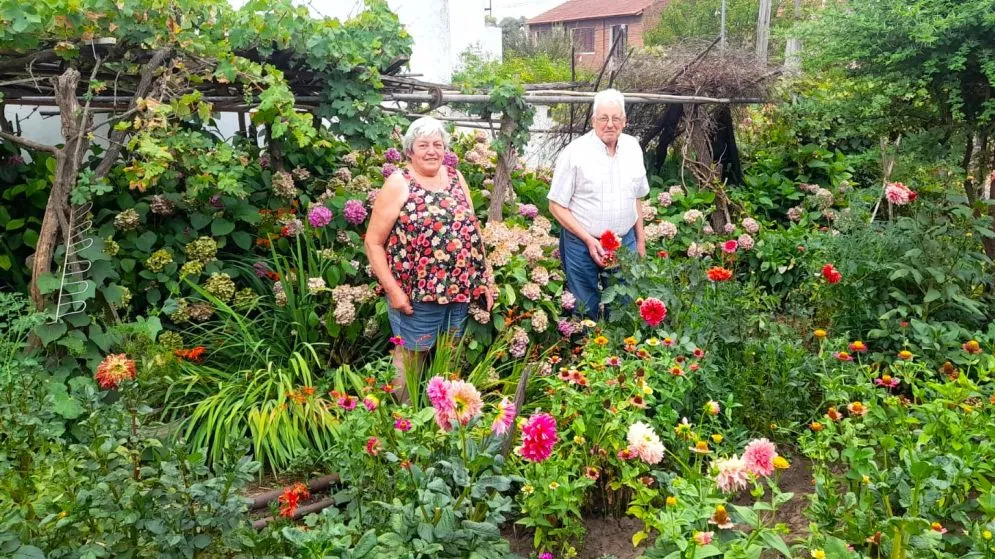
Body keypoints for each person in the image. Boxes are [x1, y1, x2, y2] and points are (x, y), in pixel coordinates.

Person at [364, 117, 496, 397]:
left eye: (438, 144)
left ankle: (440, 421)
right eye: (423, 145)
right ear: (410, 150)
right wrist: (394, 291)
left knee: (448, 356)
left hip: (458, 290)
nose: (431, 151)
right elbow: (373, 243)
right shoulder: (400, 183)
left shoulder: (456, 177)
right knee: (412, 356)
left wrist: (484, 278)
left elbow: (473, 231)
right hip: (416, 295)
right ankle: (405, 422)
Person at [547, 88, 650, 319]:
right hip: (582, 243)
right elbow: (555, 205)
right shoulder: (575, 153)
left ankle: (621, 353)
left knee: (623, 308)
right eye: (603, 118)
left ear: (625, 121)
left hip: (624, 243)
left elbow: (637, 198)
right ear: (594, 120)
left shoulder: (633, 148)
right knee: (584, 307)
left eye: (616, 118)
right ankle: (582, 351)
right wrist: (588, 239)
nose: (610, 124)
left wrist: (640, 242)